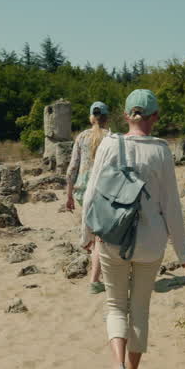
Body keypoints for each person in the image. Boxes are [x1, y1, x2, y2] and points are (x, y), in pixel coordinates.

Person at [80, 89, 185, 369]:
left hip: (113, 237)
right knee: (140, 310)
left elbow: (90, 193)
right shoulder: (161, 151)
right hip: (150, 242)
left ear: (127, 114)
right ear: (155, 117)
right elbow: (172, 206)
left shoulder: (108, 144)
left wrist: (87, 235)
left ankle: (117, 368)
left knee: (116, 305)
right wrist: (184, 254)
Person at [65, 100, 110, 293]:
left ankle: (97, 272)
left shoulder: (81, 137)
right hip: (104, 190)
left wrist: (69, 195)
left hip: (83, 191)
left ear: (91, 117)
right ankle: (94, 280)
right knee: (101, 236)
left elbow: (72, 169)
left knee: (92, 231)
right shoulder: (111, 137)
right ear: (106, 117)